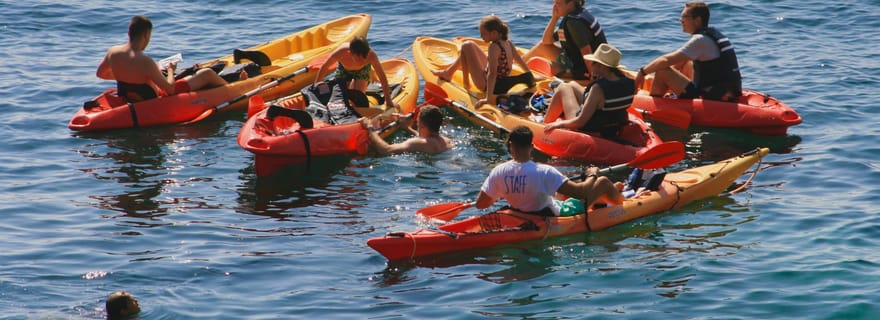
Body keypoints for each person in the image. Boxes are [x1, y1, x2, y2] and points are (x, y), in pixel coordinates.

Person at [476, 125, 623, 216]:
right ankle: (626, 202)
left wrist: (505, 192)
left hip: (523, 214)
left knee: (559, 191)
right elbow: (581, 192)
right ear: (531, 147)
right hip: (551, 216)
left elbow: (481, 204)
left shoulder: (498, 171)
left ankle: (611, 192)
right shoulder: (545, 171)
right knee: (602, 182)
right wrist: (592, 174)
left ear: (509, 146)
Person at [96, 15, 230, 102]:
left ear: (129, 33)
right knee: (207, 73)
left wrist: (125, 76)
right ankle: (233, 90)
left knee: (184, 73)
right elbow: (170, 90)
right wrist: (171, 70)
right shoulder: (145, 60)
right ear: (146, 35)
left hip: (131, 95)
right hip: (160, 97)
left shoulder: (112, 52)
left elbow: (101, 74)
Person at [634, 2, 742, 101]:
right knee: (685, 61)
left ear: (697, 20)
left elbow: (665, 60)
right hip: (724, 89)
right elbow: (677, 62)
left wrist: (642, 72)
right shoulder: (712, 35)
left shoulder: (700, 40)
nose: (681, 20)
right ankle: (671, 92)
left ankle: (653, 103)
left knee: (662, 70)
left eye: (684, 17)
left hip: (714, 95)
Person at [432, 15, 534, 108]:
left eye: (483, 34)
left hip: (486, 85)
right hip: (503, 80)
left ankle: (462, 82)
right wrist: (530, 75)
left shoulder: (494, 47)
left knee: (466, 46)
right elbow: (519, 59)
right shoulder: (508, 43)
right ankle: (449, 73)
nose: (481, 37)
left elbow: (492, 74)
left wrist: (488, 99)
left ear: (494, 33)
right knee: (469, 45)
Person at [543, 43, 634, 139]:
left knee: (563, 88)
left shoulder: (598, 88)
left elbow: (580, 122)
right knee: (572, 84)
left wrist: (560, 124)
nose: (590, 66)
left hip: (592, 126)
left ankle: (545, 124)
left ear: (600, 66)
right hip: (614, 121)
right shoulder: (629, 82)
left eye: (593, 63)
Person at [523, 0, 608, 80]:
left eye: (558, 3)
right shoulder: (575, 14)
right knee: (542, 47)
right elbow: (546, 41)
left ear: (570, 4)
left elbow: (587, 52)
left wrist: (594, 78)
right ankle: (520, 65)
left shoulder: (574, 23)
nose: (555, 7)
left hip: (588, 69)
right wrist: (554, 18)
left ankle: (520, 68)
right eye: (554, 2)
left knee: (547, 67)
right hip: (577, 60)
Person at [314, 36, 397, 111]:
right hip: (344, 69)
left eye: (364, 59)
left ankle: (369, 75)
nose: (361, 62)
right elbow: (324, 68)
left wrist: (388, 100)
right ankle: (353, 82)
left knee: (358, 98)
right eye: (358, 59)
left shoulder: (371, 55)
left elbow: (382, 76)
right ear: (350, 53)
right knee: (341, 95)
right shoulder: (340, 52)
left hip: (362, 70)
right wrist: (316, 89)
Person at [360, 105, 453, 155]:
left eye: (417, 121)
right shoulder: (446, 141)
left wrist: (370, 128)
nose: (416, 123)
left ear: (422, 124)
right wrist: (407, 127)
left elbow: (385, 150)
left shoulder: (417, 143)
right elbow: (426, 139)